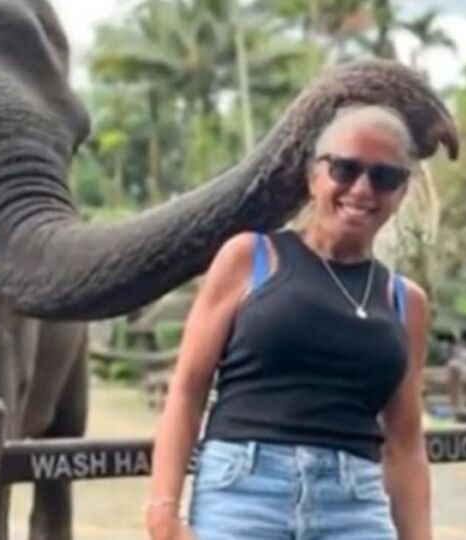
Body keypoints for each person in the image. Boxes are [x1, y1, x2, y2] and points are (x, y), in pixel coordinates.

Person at [145, 103, 434, 540]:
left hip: (354, 505)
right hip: (244, 494)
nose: (361, 189)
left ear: (401, 191)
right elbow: (187, 386)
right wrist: (163, 511)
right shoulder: (251, 258)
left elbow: (405, 442)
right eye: (345, 169)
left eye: (384, 176)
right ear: (314, 175)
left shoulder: (404, 301)